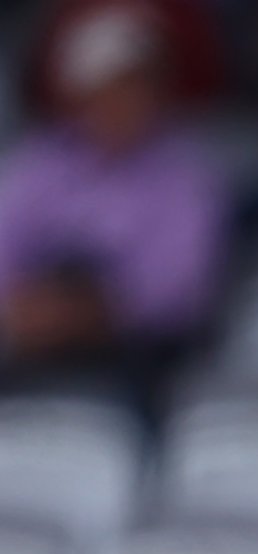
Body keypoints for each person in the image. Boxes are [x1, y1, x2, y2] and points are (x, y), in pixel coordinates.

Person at [0, 1, 227, 390]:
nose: (122, 101)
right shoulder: (36, 166)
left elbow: (180, 290)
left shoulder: (187, 177)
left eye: (135, 84)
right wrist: (30, 309)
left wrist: (85, 315)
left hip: (140, 366)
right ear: (77, 94)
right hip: (33, 353)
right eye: (108, 87)